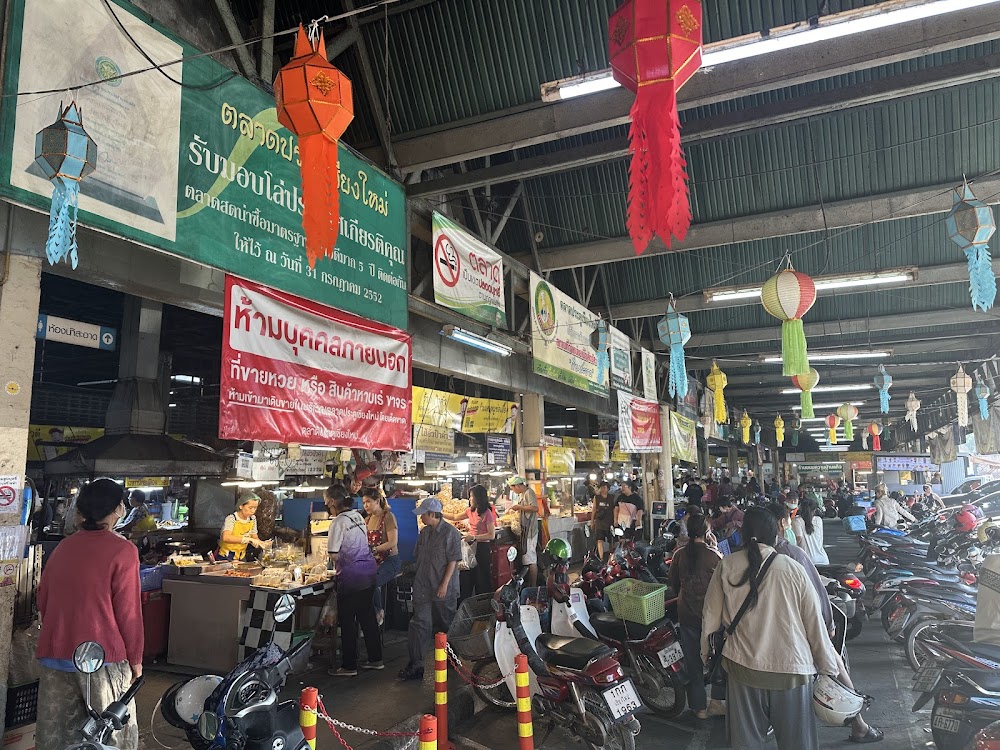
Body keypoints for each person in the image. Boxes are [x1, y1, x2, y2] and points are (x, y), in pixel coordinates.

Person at [701, 506, 840, 750]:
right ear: (775, 534)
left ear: (743, 534)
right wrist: (828, 668)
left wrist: (706, 656)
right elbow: (814, 624)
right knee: (798, 744)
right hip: (792, 672)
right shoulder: (793, 568)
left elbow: (710, 619)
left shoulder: (727, 566)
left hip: (741, 668)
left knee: (745, 743)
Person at [36, 478, 143, 750]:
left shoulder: (64, 547)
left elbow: (43, 601)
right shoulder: (123, 551)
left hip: (56, 655)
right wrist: (136, 660)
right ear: (119, 508)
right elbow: (128, 613)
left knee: (57, 738)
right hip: (101, 659)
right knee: (110, 738)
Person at [765, 504, 882, 743]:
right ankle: (859, 725)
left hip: (766, 638)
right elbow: (817, 593)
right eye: (787, 519)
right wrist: (827, 626)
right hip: (800, 630)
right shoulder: (792, 553)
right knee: (834, 666)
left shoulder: (742, 559)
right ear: (780, 523)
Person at [399, 498, 463, 681]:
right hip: (423, 586)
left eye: (423, 514)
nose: (421, 518)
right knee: (419, 623)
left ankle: (452, 659)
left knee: (446, 623)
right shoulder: (424, 533)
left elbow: (453, 561)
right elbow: (418, 557)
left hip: (443, 587)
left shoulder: (451, 533)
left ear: (432, 514)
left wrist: (443, 584)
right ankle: (416, 665)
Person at [669, 512, 723, 719]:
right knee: (718, 659)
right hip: (712, 617)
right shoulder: (714, 555)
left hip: (687, 615)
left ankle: (699, 708)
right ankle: (718, 701)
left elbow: (673, 585)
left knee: (693, 662)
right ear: (707, 531)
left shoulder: (679, 554)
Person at [327, 486, 382, 676]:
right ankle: (376, 659)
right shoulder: (357, 516)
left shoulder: (338, 522)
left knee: (348, 621)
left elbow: (334, 553)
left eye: (327, 500)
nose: (326, 504)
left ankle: (349, 665)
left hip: (352, 578)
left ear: (333, 502)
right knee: (367, 618)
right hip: (368, 572)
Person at [363, 487, 400, 627]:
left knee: (373, 581)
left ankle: (379, 612)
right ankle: (367, 619)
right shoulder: (366, 520)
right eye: (364, 502)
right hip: (372, 561)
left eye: (368, 502)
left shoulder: (388, 517)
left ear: (377, 501)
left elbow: (392, 542)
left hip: (390, 561)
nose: (365, 505)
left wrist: (373, 550)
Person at [462, 484, 497, 595]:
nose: (469, 499)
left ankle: (482, 603)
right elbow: (454, 517)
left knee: (481, 578)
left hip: (482, 548)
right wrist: (440, 514)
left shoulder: (487, 513)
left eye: (471, 496)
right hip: (471, 547)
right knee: (468, 576)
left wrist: (473, 537)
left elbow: (491, 535)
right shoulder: (470, 511)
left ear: (478, 497)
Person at [507, 476, 541, 587]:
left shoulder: (528, 492)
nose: (513, 491)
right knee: (527, 559)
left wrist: (519, 507)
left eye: (513, 488)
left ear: (517, 485)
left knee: (531, 559)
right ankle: (530, 584)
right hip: (526, 531)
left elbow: (535, 508)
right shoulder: (522, 494)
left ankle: (533, 586)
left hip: (530, 531)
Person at [217, 492, 266, 561]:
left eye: (255, 508)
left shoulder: (252, 519)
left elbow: (254, 536)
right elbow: (226, 537)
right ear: (241, 506)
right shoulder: (232, 518)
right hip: (226, 557)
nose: (253, 511)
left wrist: (261, 543)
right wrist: (248, 539)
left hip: (241, 557)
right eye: (250, 508)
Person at [792, 497, 829, 565]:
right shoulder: (819, 520)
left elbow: (798, 539)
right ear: (815, 510)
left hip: (806, 561)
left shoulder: (796, 521)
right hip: (823, 560)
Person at [590, 481, 615, 559]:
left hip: (610, 522)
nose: (603, 489)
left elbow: (615, 509)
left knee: (611, 541)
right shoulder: (596, 498)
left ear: (608, 489)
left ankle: (611, 557)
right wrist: (592, 521)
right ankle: (601, 558)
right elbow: (594, 510)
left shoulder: (612, 497)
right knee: (599, 540)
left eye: (604, 487)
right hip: (600, 522)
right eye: (602, 488)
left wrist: (615, 520)